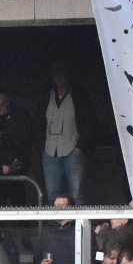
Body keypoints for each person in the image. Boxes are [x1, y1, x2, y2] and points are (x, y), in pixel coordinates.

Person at [40, 62, 84, 205]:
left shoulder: (77, 96)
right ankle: (54, 227)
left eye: (62, 75)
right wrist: (42, 147)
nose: (59, 79)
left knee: (76, 194)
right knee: (52, 196)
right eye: (56, 76)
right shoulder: (47, 96)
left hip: (71, 150)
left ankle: (80, 226)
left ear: (67, 76)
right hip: (50, 152)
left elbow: (88, 121)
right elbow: (38, 121)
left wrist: (80, 147)